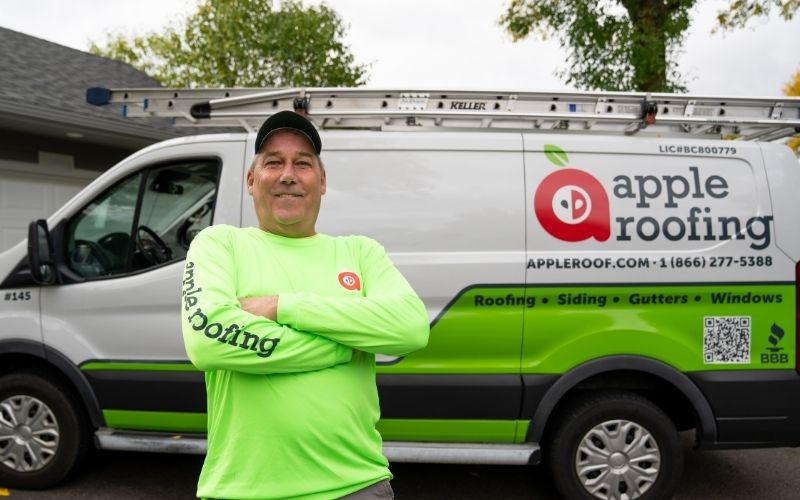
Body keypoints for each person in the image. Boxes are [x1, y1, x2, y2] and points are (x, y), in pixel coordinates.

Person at [180, 110, 430, 500]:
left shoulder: (359, 252)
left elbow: (410, 327)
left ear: (322, 181)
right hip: (243, 490)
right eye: (273, 162)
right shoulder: (220, 244)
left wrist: (283, 307)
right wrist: (341, 344)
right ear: (251, 180)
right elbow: (206, 339)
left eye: (303, 163)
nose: (288, 175)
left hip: (356, 485)